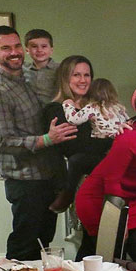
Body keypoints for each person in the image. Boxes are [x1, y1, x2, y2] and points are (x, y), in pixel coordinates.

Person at [0, 26, 77, 260]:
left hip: (47, 177)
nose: (14, 52)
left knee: (41, 244)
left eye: (16, 46)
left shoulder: (24, 77)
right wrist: (47, 139)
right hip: (26, 181)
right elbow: (4, 142)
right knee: (24, 246)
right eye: (5, 48)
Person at [74, 83, 136, 260]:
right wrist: (116, 221)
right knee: (104, 259)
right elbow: (111, 181)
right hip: (102, 200)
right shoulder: (129, 136)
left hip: (130, 199)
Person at [41, 55, 113, 213]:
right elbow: (74, 145)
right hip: (80, 182)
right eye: (76, 75)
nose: (83, 80)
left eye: (86, 75)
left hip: (107, 179)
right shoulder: (56, 109)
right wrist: (108, 142)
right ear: (65, 78)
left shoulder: (97, 106)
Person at [50, 78, 129, 212]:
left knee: (76, 160)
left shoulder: (93, 107)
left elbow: (73, 119)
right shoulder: (120, 109)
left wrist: (67, 104)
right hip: (117, 151)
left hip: (100, 148)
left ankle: (67, 194)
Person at [0, 28, 59, 105]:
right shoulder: (23, 68)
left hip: (53, 111)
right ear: (27, 50)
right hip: (31, 112)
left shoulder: (61, 68)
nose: (39, 50)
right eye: (34, 46)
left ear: (51, 49)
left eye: (44, 46)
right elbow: (3, 66)